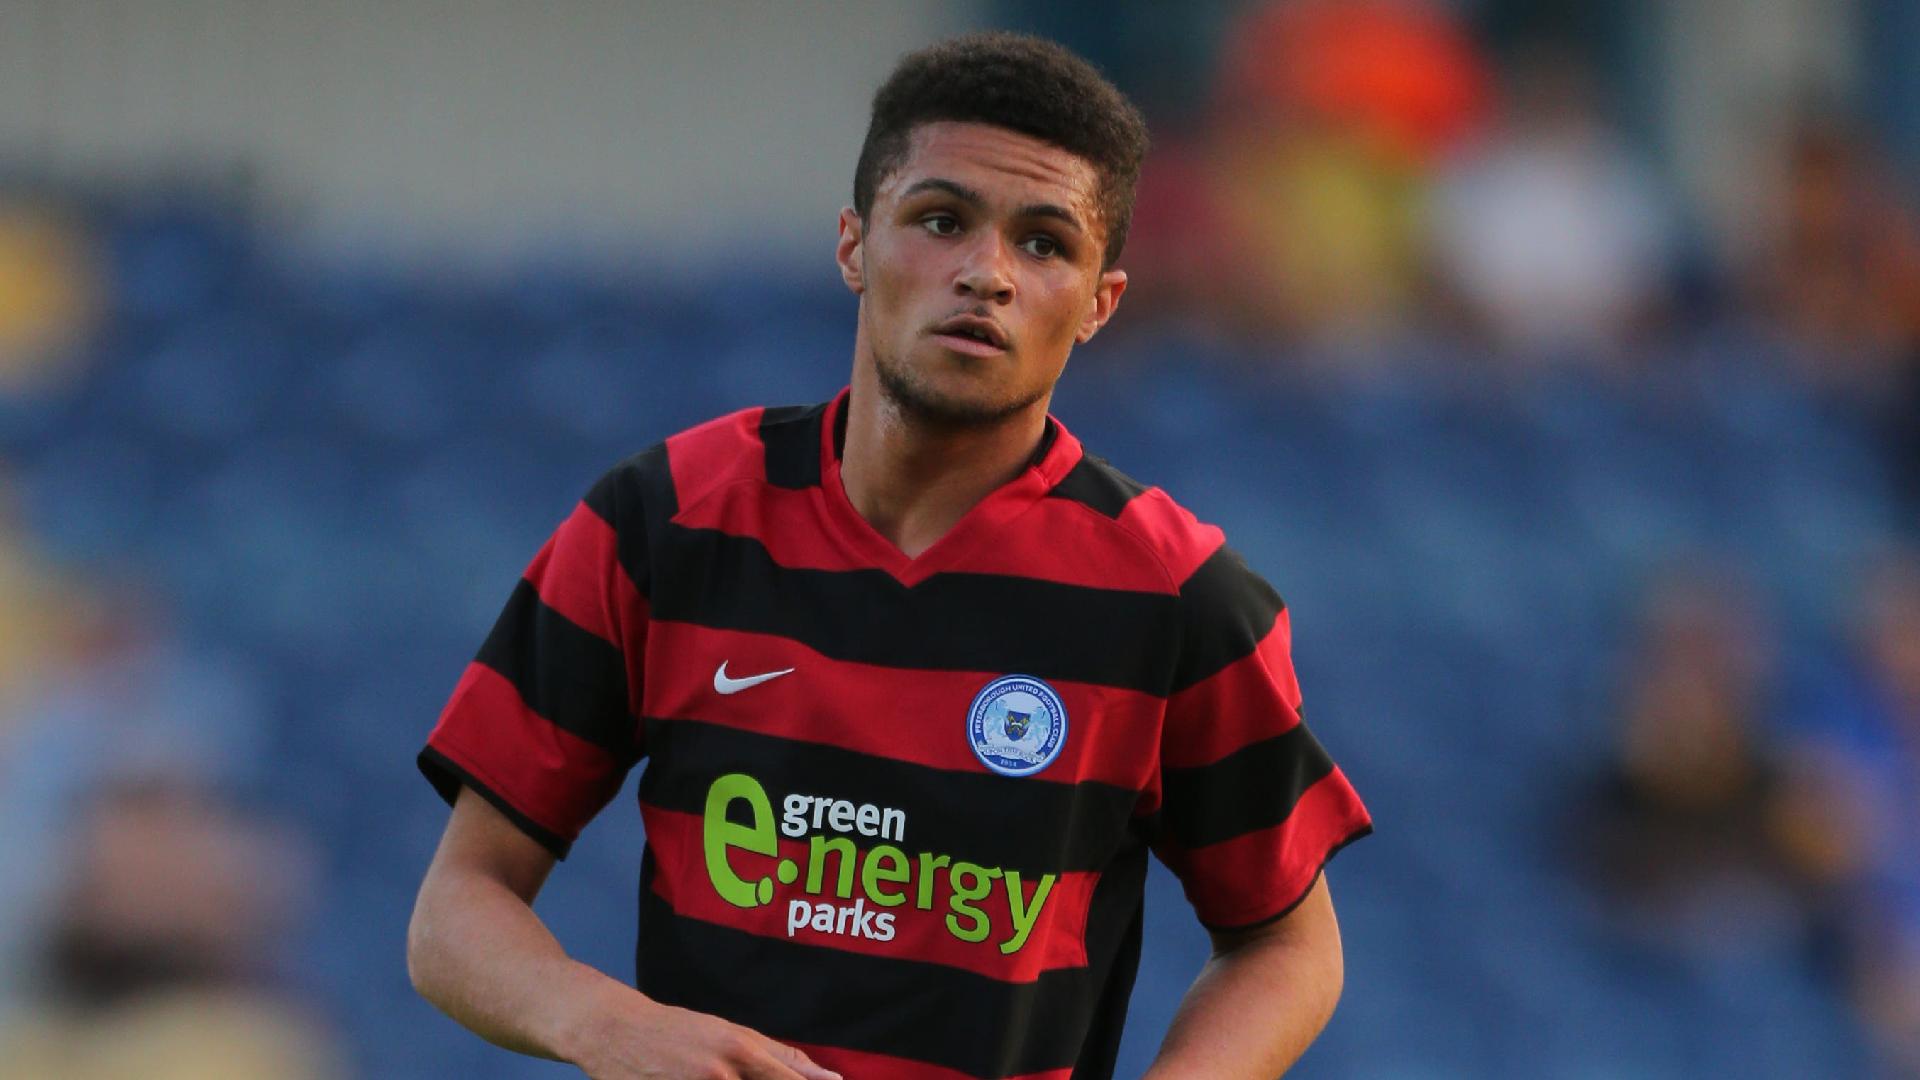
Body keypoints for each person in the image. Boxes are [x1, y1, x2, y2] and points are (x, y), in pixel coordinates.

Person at [407, 31, 1372, 1080]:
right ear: (854, 244)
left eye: (1044, 242)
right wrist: (601, 1022)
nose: (987, 274)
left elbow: (1288, 941)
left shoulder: (1179, 597)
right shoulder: (665, 520)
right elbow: (458, 906)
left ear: (1101, 304)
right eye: (942, 221)